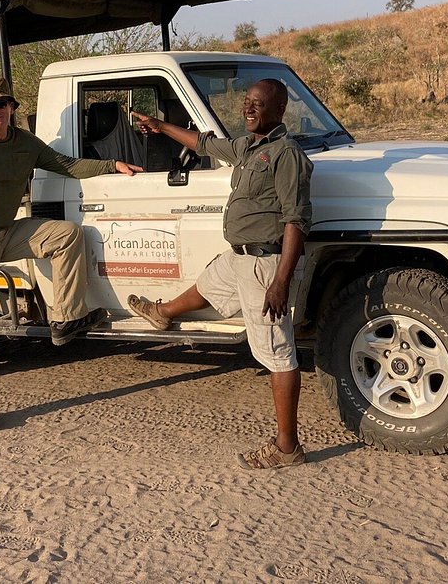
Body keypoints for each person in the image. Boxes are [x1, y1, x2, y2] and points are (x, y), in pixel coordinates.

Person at [0, 75, 142, 433]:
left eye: (2, 103)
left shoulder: (25, 143)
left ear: (12, 108)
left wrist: (113, 165)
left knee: (67, 234)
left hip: (8, 231)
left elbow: (68, 164)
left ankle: (64, 319)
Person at [128, 78, 313, 470]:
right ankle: (163, 314)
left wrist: (280, 282)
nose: (249, 109)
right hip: (240, 258)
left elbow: (296, 221)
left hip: (266, 264)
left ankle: (287, 448)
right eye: (246, 102)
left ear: (279, 111)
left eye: (258, 104)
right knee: (210, 282)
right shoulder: (247, 146)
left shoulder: (285, 154)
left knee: (277, 354)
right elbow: (202, 143)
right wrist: (160, 127)